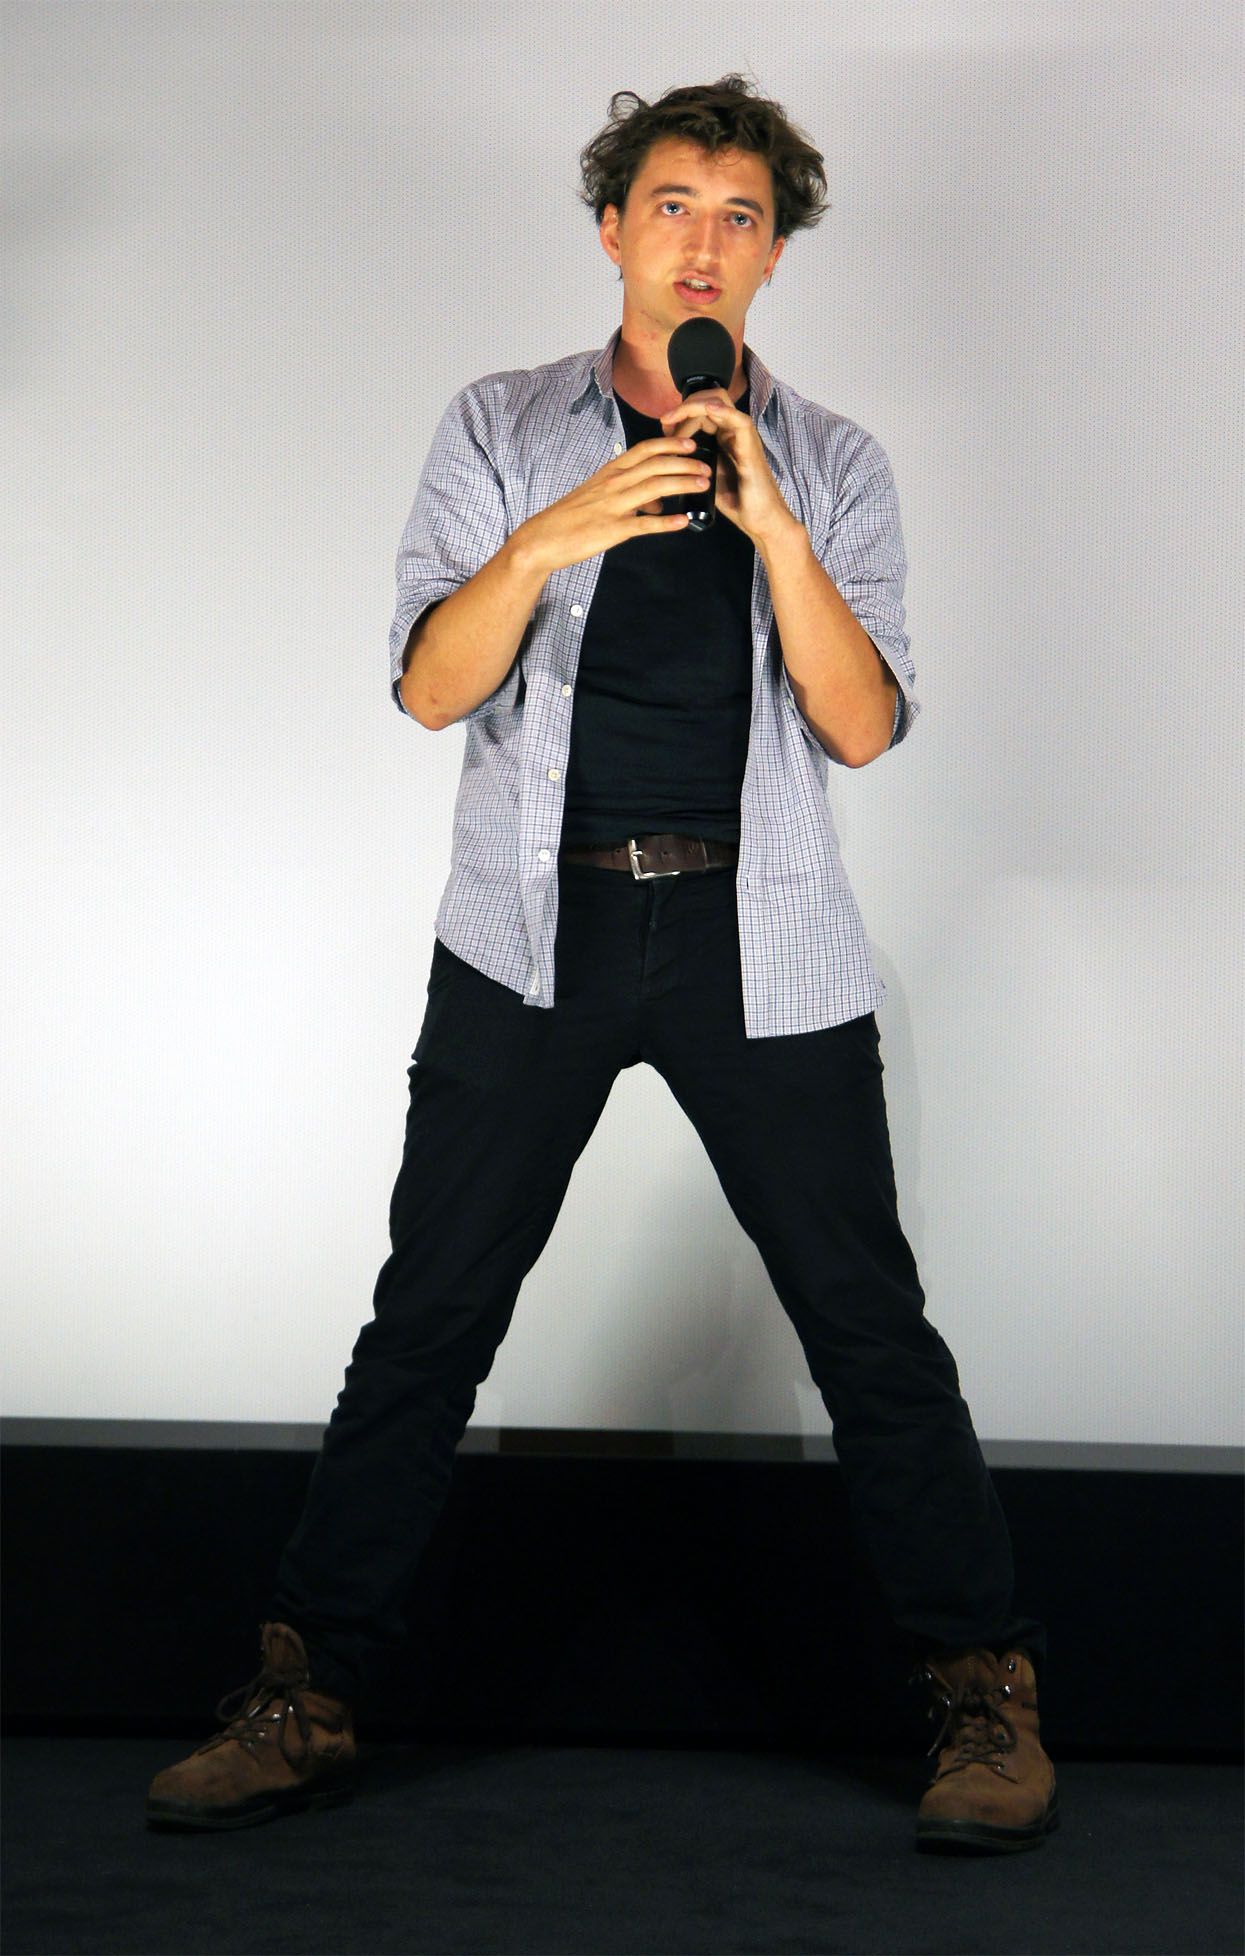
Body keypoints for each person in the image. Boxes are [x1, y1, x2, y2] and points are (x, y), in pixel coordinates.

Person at [146, 74, 1056, 1853]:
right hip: (529, 931)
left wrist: (773, 523)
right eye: (671, 208)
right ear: (612, 231)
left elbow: (861, 728)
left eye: (739, 217)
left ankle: (981, 1694)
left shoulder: (834, 460)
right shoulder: (499, 424)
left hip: (756, 939)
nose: (701, 244)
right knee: (430, 1316)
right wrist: (554, 529)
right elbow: (432, 686)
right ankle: (305, 1694)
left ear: (772, 254)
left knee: (867, 1327)